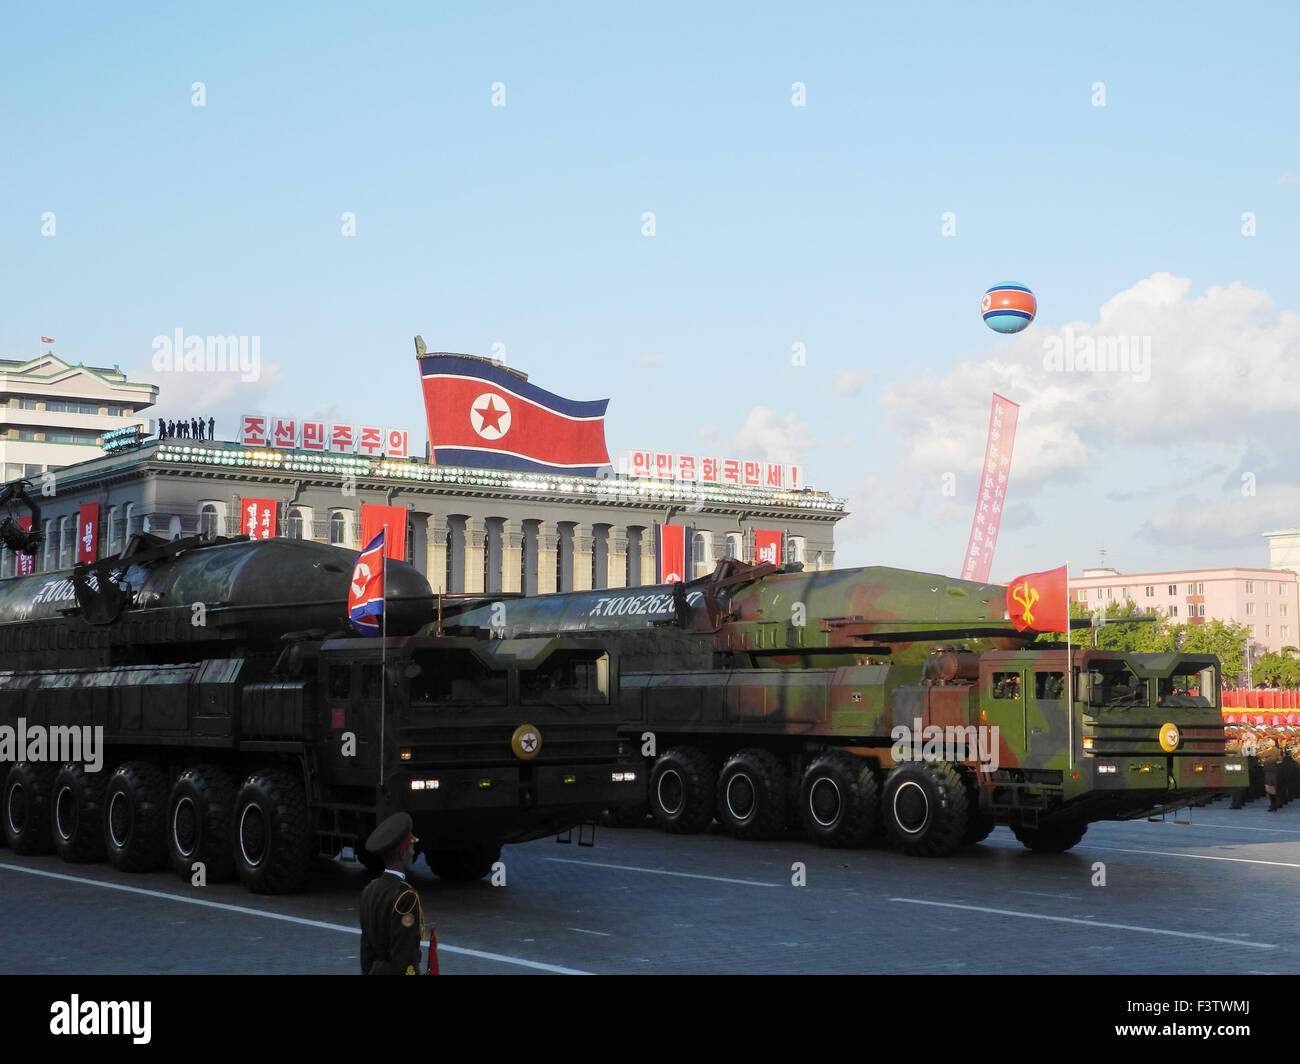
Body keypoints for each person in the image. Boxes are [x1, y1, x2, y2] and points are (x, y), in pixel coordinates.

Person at [359, 811, 426, 975]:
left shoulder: (369, 890)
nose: (413, 852)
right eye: (411, 847)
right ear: (403, 854)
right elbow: (405, 954)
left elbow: (366, 949)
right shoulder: (406, 897)